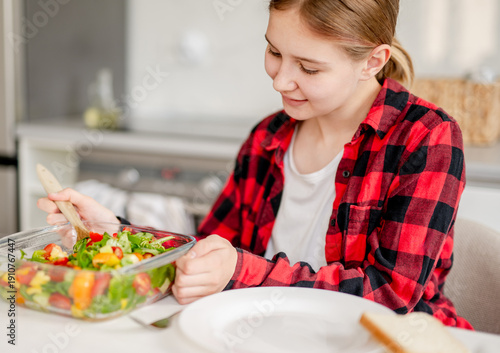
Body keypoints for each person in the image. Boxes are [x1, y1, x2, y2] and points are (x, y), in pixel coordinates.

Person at [37, 0, 472, 328]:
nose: (281, 80)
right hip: (271, 333)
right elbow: (210, 252)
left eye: (308, 67)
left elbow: (390, 296)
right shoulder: (268, 137)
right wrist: (118, 236)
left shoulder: (427, 138)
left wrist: (238, 271)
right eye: (274, 52)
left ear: (373, 61)